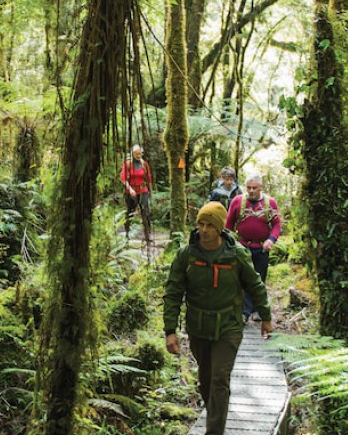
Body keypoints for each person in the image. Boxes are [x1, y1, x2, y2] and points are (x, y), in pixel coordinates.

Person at [164, 202, 272, 435]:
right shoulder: (186, 255)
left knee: (219, 379)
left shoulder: (236, 255)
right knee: (205, 380)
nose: (204, 230)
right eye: (200, 224)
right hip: (198, 326)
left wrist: (266, 316)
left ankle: (214, 431)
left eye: (210, 225)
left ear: (220, 228)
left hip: (228, 326)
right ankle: (216, 412)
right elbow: (173, 292)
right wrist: (170, 330)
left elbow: (255, 286)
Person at [225, 173, 281, 323]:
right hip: (242, 247)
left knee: (259, 279)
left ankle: (257, 309)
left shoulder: (270, 203)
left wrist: (271, 240)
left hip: (262, 248)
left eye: (254, 188)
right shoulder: (237, 201)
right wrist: (228, 243)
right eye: (248, 188)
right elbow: (228, 225)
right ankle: (244, 312)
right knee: (243, 279)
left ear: (261, 187)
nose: (251, 191)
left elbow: (276, 224)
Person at [120, 144, 152, 242]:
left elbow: (149, 178)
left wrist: (150, 192)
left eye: (140, 153)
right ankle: (127, 235)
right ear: (133, 154)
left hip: (143, 191)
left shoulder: (144, 164)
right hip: (131, 192)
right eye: (137, 153)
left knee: (145, 213)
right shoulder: (128, 164)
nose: (139, 155)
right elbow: (123, 178)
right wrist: (130, 189)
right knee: (130, 212)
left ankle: (147, 236)